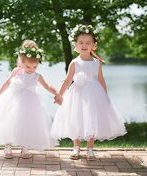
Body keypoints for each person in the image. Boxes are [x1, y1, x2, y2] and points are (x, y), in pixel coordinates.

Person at [51, 25, 127, 161]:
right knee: (76, 118)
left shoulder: (97, 63)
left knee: (92, 119)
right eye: (81, 42)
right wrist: (59, 94)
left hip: (93, 95)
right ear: (76, 45)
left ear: (94, 45)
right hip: (77, 96)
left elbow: (101, 80)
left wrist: (105, 96)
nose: (84, 45)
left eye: (88, 43)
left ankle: (90, 149)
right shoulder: (74, 63)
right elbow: (67, 81)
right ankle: (76, 147)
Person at [0, 40, 58, 159]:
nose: (31, 69)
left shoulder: (37, 76)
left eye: (35, 66)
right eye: (28, 66)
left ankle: (25, 148)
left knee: (28, 124)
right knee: (8, 123)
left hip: (30, 103)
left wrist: (56, 93)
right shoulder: (16, 71)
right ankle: (8, 146)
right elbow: (7, 82)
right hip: (12, 101)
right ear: (21, 61)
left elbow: (47, 86)